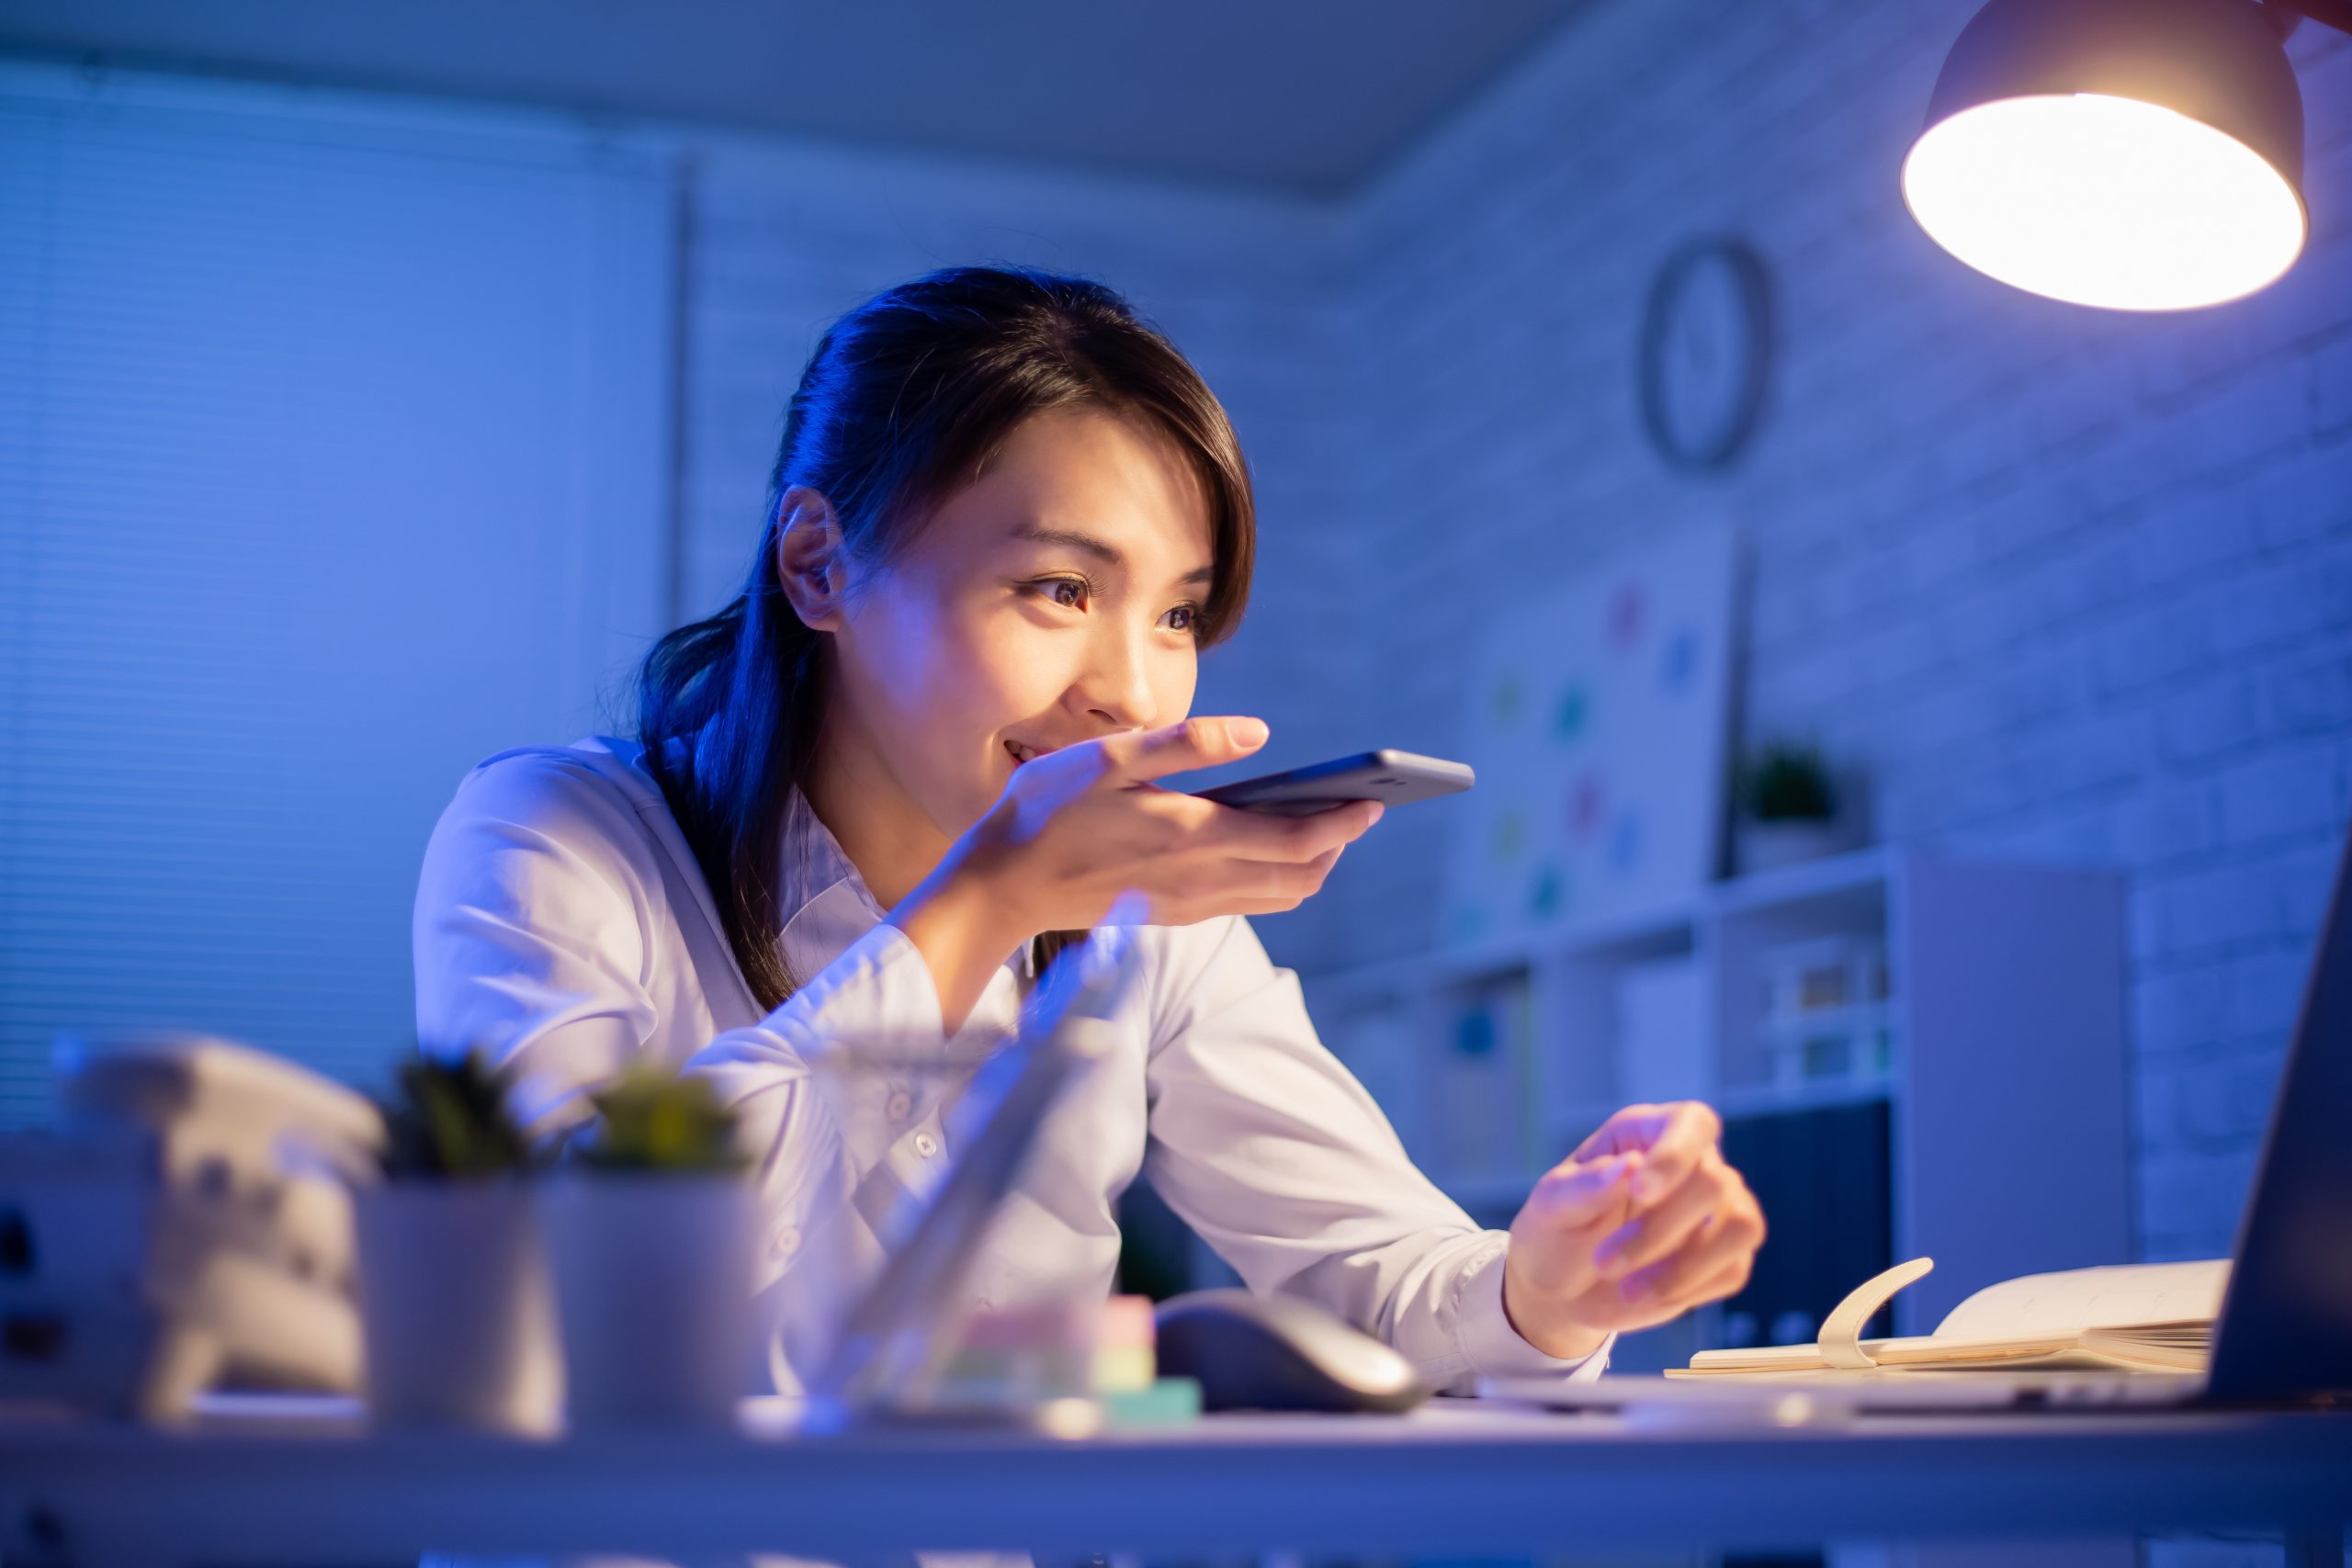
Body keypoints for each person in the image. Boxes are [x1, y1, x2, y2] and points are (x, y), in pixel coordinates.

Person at [413, 265, 1764, 1394]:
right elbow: (552, 1293)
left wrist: (1552, 1279)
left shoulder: (1148, 923)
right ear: (819, 565)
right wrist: (981, 905)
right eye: (1060, 587)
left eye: (1177, 614)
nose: (1131, 687)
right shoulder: (557, 834)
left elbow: (1386, 1283)